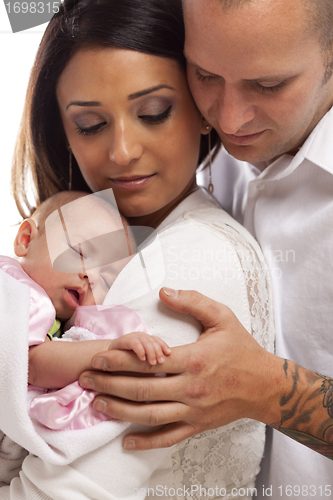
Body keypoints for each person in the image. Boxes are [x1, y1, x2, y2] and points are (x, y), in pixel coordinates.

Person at [0, 0, 275, 497]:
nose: (122, 151)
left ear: (203, 106)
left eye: (153, 112)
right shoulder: (85, 245)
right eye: (90, 125)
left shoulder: (179, 263)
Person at [78, 0, 333, 497]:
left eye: (269, 85)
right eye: (205, 74)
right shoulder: (195, 144)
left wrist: (272, 392)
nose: (230, 117)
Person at [0, 189, 168, 485]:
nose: (91, 274)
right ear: (26, 239)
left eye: (106, 279)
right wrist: (109, 349)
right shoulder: (23, 295)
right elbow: (34, 364)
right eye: (79, 252)